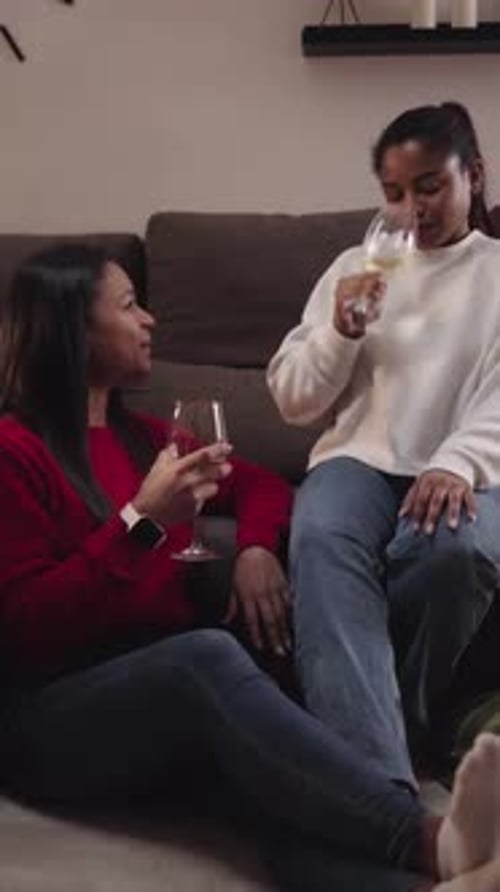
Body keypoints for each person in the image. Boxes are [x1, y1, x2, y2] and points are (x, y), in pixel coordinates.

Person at [0, 242, 497, 892]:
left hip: (158, 707)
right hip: (51, 721)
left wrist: (258, 548)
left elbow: (264, 485)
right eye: (128, 306)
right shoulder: (13, 452)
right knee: (202, 656)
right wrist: (142, 522)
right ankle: (430, 838)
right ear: (73, 329)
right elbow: (23, 629)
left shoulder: (147, 440)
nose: (150, 319)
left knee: (287, 797)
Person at [267, 100, 500, 788]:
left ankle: (385, 737)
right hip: (358, 461)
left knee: (458, 551)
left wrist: (457, 461)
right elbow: (294, 400)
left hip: (472, 470)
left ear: (475, 176)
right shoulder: (356, 266)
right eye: (394, 194)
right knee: (320, 539)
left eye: (430, 186)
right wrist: (341, 331)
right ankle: (382, 787)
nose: (413, 209)